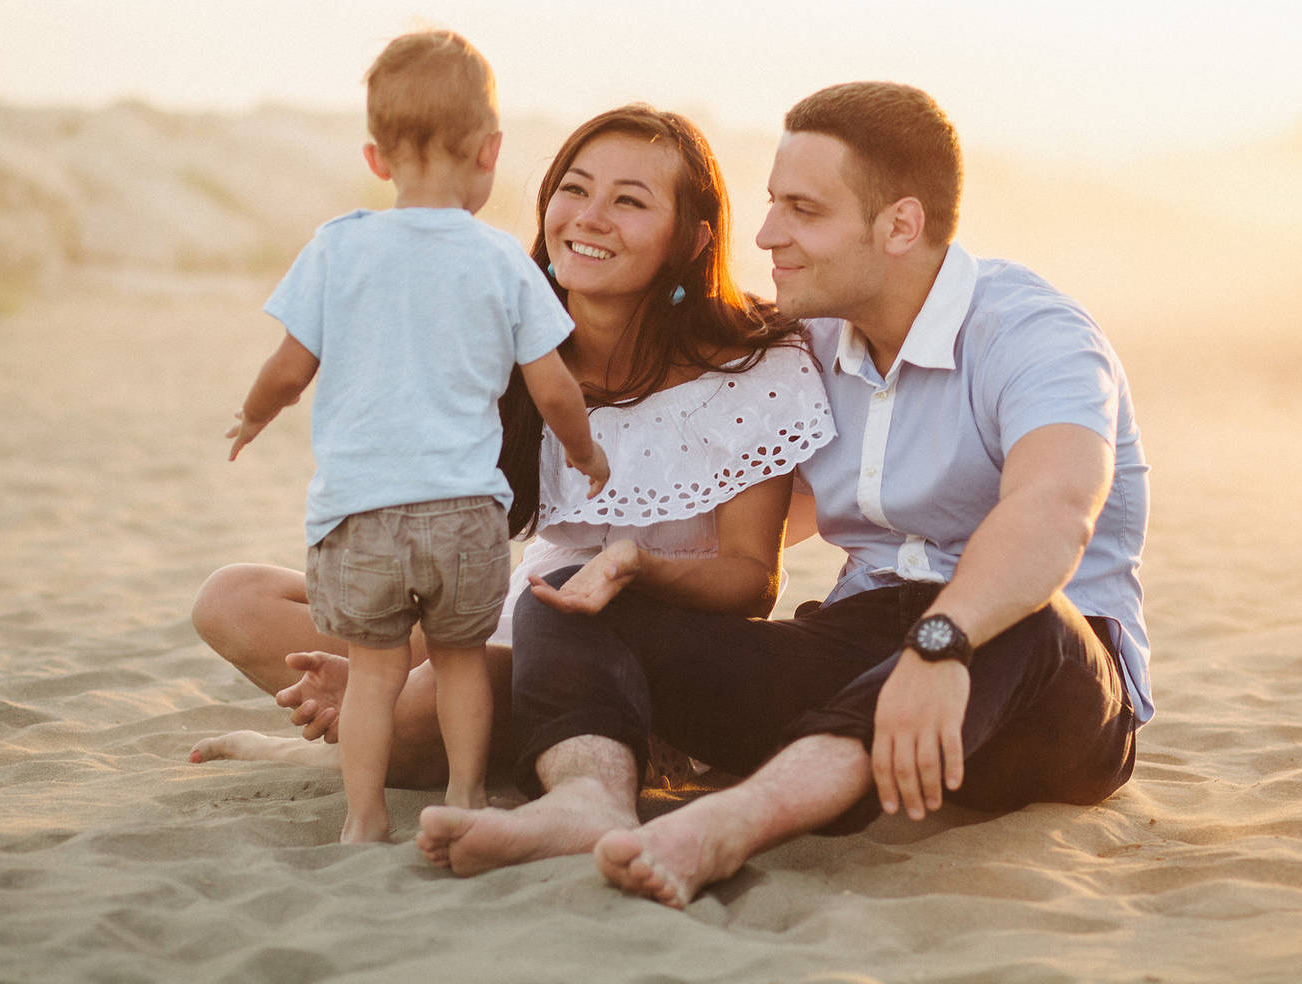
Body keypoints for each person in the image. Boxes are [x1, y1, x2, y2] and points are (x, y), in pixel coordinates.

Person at [429, 81, 1149, 907]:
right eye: (772, 204)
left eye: (803, 211)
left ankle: (731, 822)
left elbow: (1053, 508)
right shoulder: (806, 342)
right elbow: (712, 453)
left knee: (1025, 613)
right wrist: (639, 566)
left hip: (1042, 682)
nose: (767, 235)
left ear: (900, 225)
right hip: (861, 649)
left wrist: (943, 641)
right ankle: (587, 799)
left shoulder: (1034, 335)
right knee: (573, 596)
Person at [189, 104, 836, 832]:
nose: (590, 217)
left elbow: (752, 581)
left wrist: (639, 570)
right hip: (504, 613)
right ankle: (386, 711)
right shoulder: (506, 349)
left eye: (629, 201)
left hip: (627, 649)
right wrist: (385, 647)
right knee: (232, 598)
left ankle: (362, 739)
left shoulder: (752, 368)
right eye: (574, 188)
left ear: (692, 240)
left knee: (420, 710)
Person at [224, 29, 609, 842]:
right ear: (490, 151)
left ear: (376, 158)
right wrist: (582, 450)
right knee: (459, 660)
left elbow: (290, 369)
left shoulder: (338, 246)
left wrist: (255, 415)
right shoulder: (502, 261)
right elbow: (553, 387)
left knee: (373, 675)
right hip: (465, 512)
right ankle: (466, 796)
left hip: (361, 512)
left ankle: (363, 821)